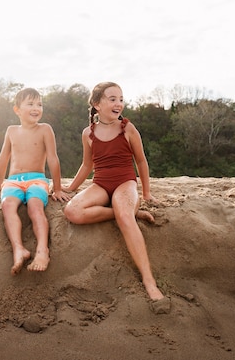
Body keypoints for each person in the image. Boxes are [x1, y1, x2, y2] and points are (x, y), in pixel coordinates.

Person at [63, 82, 170, 314]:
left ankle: (149, 281)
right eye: (112, 99)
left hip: (125, 182)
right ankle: (130, 213)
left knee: (124, 214)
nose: (118, 103)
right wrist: (70, 188)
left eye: (120, 98)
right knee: (72, 211)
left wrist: (147, 193)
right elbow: (87, 165)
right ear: (96, 104)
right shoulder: (88, 133)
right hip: (101, 183)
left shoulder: (127, 129)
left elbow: (141, 161)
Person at [0, 88, 70, 275]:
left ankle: (42, 250)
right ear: (17, 109)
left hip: (37, 179)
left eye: (39, 104)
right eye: (30, 104)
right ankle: (19, 249)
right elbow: (3, 159)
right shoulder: (11, 131)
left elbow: (53, 159)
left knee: (34, 206)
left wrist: (56, 188)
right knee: (8, 206)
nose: (36, 108)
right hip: (13, 181)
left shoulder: (44, 129)